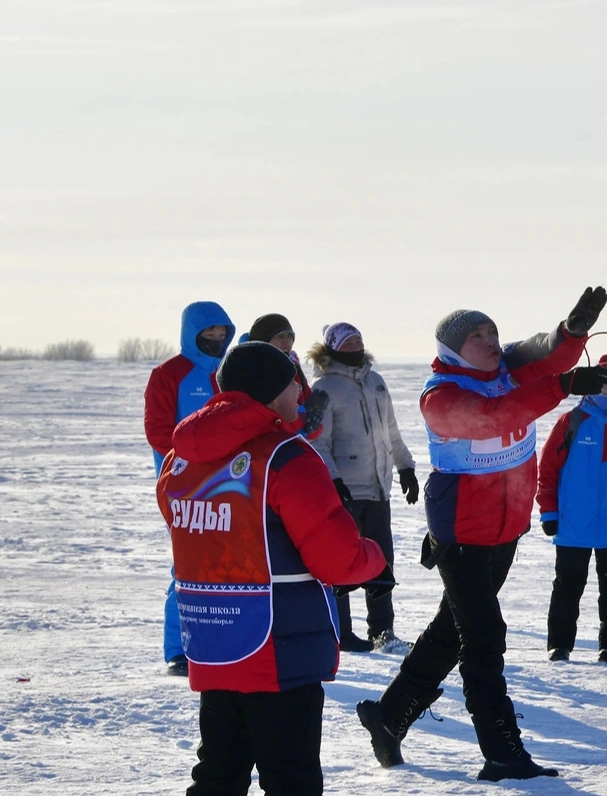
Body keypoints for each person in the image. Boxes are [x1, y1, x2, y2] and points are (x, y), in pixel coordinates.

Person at [356, 287, 607, 783]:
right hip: (461, 533)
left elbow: (544, 352)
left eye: (492, 330)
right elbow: (499, 416)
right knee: (483, 636)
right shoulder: (440, 396)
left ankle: (388, 718)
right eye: (477, 335)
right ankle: (502, 753)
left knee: (452, 632)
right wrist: (562, 384)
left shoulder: (506, 369)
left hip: (506, 527)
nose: (490, 340)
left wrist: (573, 330)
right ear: (453, 348)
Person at [159, 340, 385, 796]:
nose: (300, 394)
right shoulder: (288, 458)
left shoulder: (180, 459)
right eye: (291, 385)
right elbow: (337, 559)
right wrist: (374, 560)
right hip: (278, 652)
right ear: (270, 392)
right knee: (291, 778)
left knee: (218, 773)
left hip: (215, 642)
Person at [307, 321, 419, 655]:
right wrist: (334, 480)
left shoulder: (376, 382)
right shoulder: (323, 388)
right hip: (344, 493)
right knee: (342, 561)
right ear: (333, 347)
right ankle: (341, 631)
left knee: (381, 560)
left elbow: (392, 432)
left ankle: (383, 630)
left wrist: (406, 468)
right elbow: (317, 443)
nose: (356, 345)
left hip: (378, 489)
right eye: (348, 341)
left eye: (358, 339)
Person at [537, 356, 607, 664]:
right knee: (567, 587)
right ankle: (559, 645)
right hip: (573, 524)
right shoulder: (571, 422)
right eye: (603, 382)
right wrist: (549, 513)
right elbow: (547, 470)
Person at [144, 299, 236, 674]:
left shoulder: (231, 372)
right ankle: (177, 648)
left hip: (230, 483)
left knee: (229, 563)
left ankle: (218, 641)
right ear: (191, 333)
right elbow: (158, 432)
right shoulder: (169, 374)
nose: (216, 338)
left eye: (221, 332)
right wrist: (197, 456)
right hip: (182, 484)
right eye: (208, 332)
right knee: (188, 563)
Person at [246, 313, 327, 458]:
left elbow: (308, 430)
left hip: (292, 449)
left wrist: (313, 422)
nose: (286, 342)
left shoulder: (294, 370)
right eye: (279, 337)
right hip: (264, 453)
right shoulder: (251, 373)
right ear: (263, 340)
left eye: (289, 337)